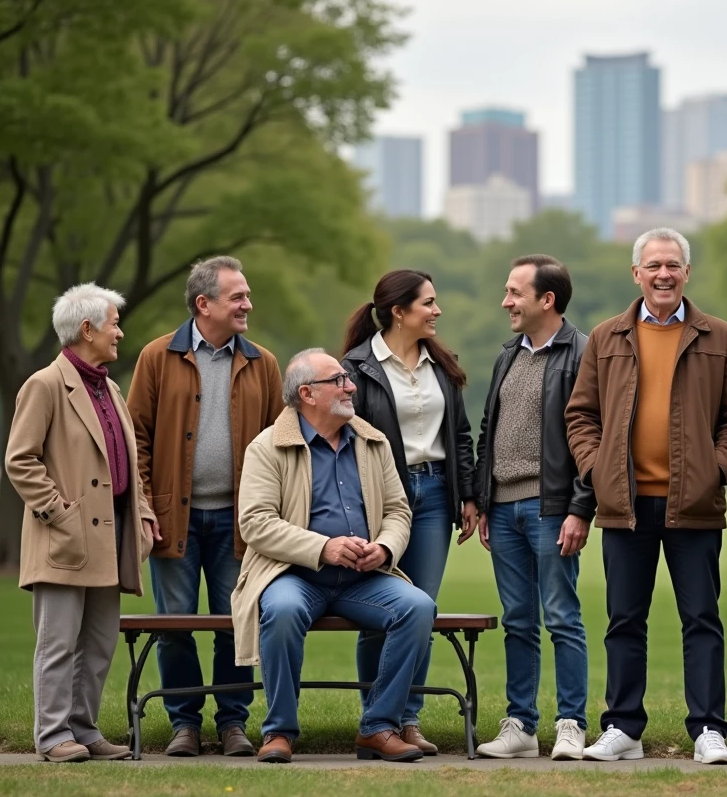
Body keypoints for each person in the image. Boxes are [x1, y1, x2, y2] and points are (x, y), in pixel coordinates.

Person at [566, 227, 727, 765]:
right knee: (624, 620)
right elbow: (581, 415)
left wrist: (716, 469)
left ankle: (708, 731)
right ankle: (623, 728)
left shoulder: (720, 337)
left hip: (693, 504)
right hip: (624, 505)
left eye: (673, 265)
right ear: (637, 274)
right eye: (653, 265)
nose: (663, 274)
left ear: (687, 273)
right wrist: (597, 469)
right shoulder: (606, 338)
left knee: (701, 619)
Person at [232, 349, 435, 764]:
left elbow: (398, 510)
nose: (351, 386)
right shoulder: (267, 446)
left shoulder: (372, 441)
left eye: (347, 378)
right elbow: (255, 522)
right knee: (283, 610)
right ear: (307, 393)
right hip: (293, 575)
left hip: (364, 577)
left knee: (417, 607)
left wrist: (384, 547)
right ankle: (279, 732)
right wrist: (322, 548)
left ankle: (378, 727)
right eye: (339, 380)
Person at [126, 257, 284, 757]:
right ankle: (184, 724)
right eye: (237, 297)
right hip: (174, 520)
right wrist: (147, 507)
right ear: (204, 304)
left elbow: (282, 444)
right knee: (174, 623)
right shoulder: (156, 357)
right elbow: (137, 441)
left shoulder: (264, 363)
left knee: (238, 623)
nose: (247, 305)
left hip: (241, 523)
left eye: (247, 295)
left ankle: (233, 723)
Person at [5, 284, 159, 763]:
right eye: (114, 322)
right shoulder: (44, 384)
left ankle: (84, 730)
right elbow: (20, 460)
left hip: (110, 534)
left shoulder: (109, 386)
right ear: (86, 328)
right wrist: (58, 512)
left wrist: (145, 515)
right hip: (66, 538)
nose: (120, 331)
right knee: (58, 643)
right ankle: (53, 737)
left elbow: (126, 464)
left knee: (97, 642)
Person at [341, 269, 476, 754]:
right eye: (428, 303)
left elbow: (458, 435)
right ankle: (375, 721)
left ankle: (406, 719)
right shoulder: (356, 368)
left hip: (436, 495)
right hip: (380, 500)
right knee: (382, 608)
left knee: (422, 608)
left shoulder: (441, 363)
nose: (437, 311)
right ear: (399, 312)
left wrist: (470, 494)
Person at [473, 255, 593, 761]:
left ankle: (572, 723)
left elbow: (595, 437)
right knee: (519, 620)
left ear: (547, 300)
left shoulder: (582, 354)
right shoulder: (508, 355)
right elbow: (488, 430)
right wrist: (482, 501)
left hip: (552, 509)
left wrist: (580, 509)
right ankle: (520, 725)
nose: (506, 302)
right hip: (502, 510)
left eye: (514, 293)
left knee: (562, 616)